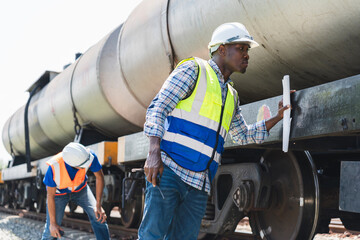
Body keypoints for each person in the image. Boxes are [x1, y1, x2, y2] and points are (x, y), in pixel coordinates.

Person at [138, 22, 292, 240]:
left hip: (199, 183)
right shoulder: (194, 70)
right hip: (170, 172)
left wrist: (276, 118)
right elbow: (158, 107)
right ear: (222, 49)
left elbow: (242, 135)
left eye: (247, 50)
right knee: (151, 236)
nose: (247, 55)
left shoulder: (231, 95)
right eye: (241, 48)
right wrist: (153, 153)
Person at [41, 142, 110, 240]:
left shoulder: (88, 156)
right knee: (50, 231)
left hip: (81, 190)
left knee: (99, 217)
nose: (88, 164)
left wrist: (98, 205)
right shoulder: (53, 167)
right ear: (73, 165)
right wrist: (52, 224)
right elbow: (50, 196)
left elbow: (99, 177)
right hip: (59, 195)